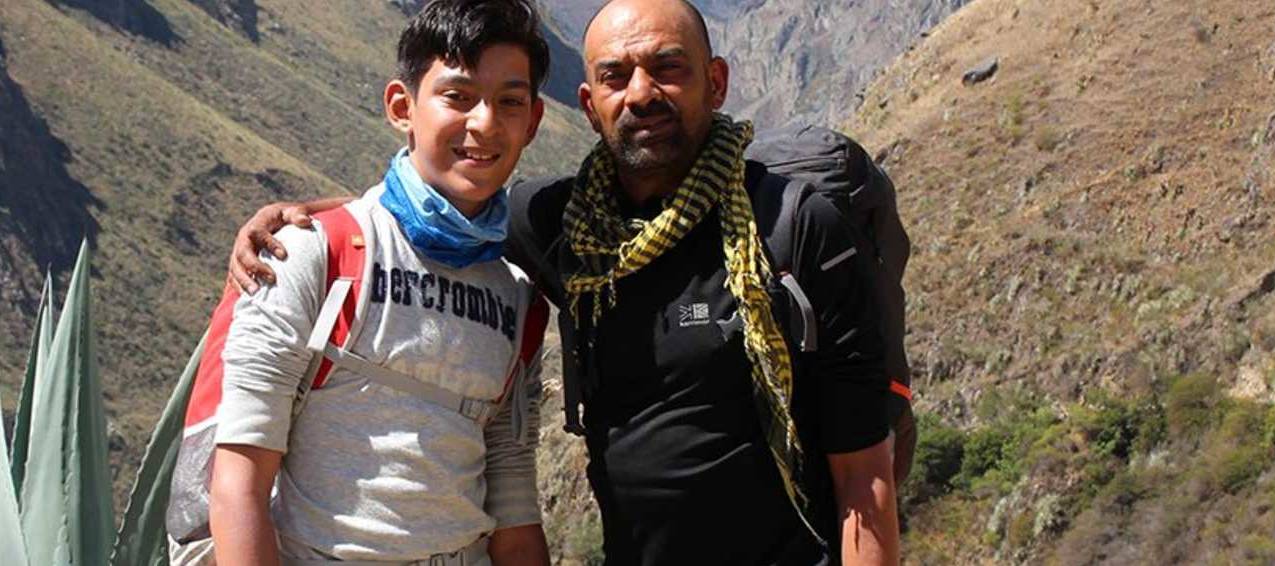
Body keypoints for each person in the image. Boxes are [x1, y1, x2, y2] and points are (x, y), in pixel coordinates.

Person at [230, 1, 900, 564]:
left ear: (715, 82)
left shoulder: (791, 225)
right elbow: (443, 205)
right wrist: (309, 218)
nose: (642, 93)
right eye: (616, 75)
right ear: (588, 102)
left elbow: (864, 477)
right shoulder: (558, 223)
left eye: (668, 67)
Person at [207, 1, 553, 564]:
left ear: (533, 121)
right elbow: (238, 485)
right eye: (458, 96)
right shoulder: (311, 256)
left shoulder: (519, 301)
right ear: (402, 105)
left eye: (509, 102)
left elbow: (513, 509)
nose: (485, 123)